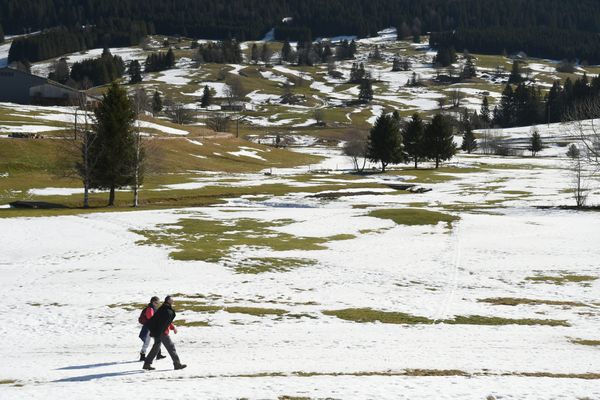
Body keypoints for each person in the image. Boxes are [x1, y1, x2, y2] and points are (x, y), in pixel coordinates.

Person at [143, 295, 187, 371]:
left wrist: (172, 328)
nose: (173, 301)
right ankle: (177, 364)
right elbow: (162, 322)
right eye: (171, 300)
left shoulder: (164, 309)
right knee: (171, 347)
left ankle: (147, 364)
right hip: (162, 332)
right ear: (168, 301)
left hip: (158, 331)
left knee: (156, 348)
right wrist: (162, 331)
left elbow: (166, 321)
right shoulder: (165, 310)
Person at [138, 296, 166, 361]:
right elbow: (151, 319)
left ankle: (158, 354)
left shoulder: (154, 308)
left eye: (158, 303)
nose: (157, 304)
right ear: (152, 302)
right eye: (156, 303)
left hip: (152, 328)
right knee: (147, 342)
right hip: (149, 328)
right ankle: (142, 355)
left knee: (157, 340)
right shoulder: (150, 309)